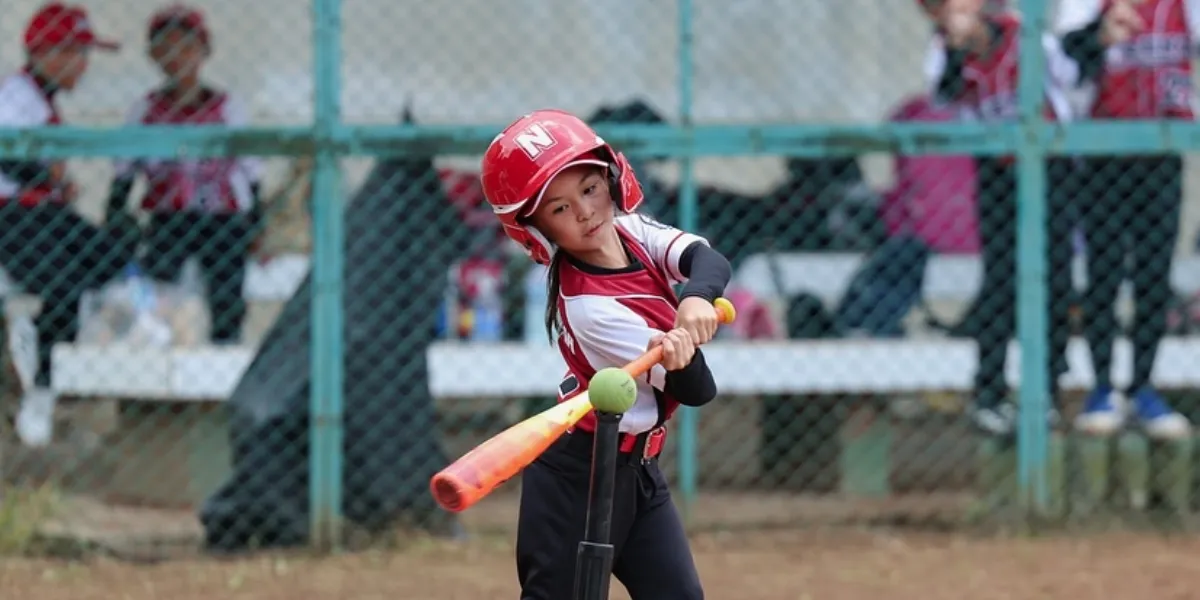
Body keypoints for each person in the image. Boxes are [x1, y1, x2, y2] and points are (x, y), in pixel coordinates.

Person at [480, 109, 730, 600]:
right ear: (537, 231)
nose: (586, 212)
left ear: (612, 179)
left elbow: (706, 259)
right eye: (559, 209)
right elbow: (698, 389)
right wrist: (680, 357)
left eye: (590, 189)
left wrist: (696, 297)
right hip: (578, 479)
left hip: (638, 472)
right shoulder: (589, 306)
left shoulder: (633, 231)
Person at [919, 0, 1079, 436]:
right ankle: (989, 392)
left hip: (1049, 167)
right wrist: (959, 48)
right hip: (998, 174)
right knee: (1001, 280)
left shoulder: (1023, 36)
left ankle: (1046, 391)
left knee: (1056, 278)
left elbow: (1068, 75)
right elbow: (942, 96)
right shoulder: (945, 51)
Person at [1056, 0, 1193, 440]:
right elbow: (1062, 59)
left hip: (1161, 149)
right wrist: (1100, 33)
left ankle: (1143, 387)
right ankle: (1101, 387)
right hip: (1104, 152)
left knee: (1155, 273)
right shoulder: (1085, 5)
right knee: (1105, 272)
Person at [0, 2, 134, 446]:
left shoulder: (41, 100)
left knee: (114, 257)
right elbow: (9, 157)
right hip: (11, 217)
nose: (84, 66)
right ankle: (40, 388)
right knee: (64, 287)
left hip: (40, 215)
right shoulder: (16, 95)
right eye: (77, 53)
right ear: (49, 53)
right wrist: (46, 177)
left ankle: (47, 351)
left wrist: (58, 185)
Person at [107, 4, 263, 344]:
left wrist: (257, 219)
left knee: (226, 291)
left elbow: (250, 170)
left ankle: (225, 357)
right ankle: (162, 357)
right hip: (170, 215)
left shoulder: (227, 107)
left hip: (223, 215)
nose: (176, 56)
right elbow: (124, 170)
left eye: (185, 47)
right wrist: (116, 209)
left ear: (203, 51)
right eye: (165, 48)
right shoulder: (145, 110)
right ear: (154, 56)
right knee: (161, 289)